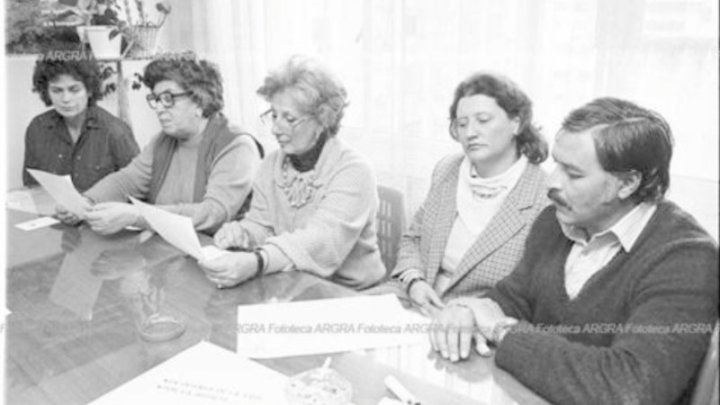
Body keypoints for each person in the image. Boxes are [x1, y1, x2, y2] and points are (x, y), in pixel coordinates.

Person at [430, 97, 719, 405]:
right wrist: (466, 310)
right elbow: (511, 299)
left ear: (628, 183)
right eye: (556, 164)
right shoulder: (553, 222)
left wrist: (503, 331)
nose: (552, 183)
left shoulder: (686, 258)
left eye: (574, 174)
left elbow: (631, 389)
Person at [199, 55, 385, 290]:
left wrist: (257, 261)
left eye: (289, 118)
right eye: (274, 115)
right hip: (293, 284)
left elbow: (322, 240)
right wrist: (242, 233)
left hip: (350, 294)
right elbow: (262, 225)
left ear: (323, 119)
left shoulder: (354, 170)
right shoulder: (270, 164)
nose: (276, 128)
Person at [387, 73, 548, 314]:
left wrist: (471, 312)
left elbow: (534, 291)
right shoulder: (447, 170)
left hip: (478, 322)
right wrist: (414, 281)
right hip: (416, 301)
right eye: (462, 124)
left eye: (483, 120)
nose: (470, 132)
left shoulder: (543, 195)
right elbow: (414, 238)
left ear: (516, 123)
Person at [57, 51, 262, 235]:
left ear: (200, 101)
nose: (159, 108)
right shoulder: (162, 140)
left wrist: (137, 215)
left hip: (218, 257)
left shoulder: (236, 145)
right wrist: (85, 202)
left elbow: (212, 214)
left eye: (168, 98)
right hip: (169, 251)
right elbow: (127, 180)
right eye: (156, 99)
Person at [24, 53, 139, 192]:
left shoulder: (116, 131)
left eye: (74, 90)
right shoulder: (38, 127)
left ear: (89, 90)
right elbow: (31, 186)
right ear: (47, 92)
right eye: (57, 90)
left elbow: (137, 189)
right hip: (52, 212)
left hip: (101, 212)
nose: (66, 99)